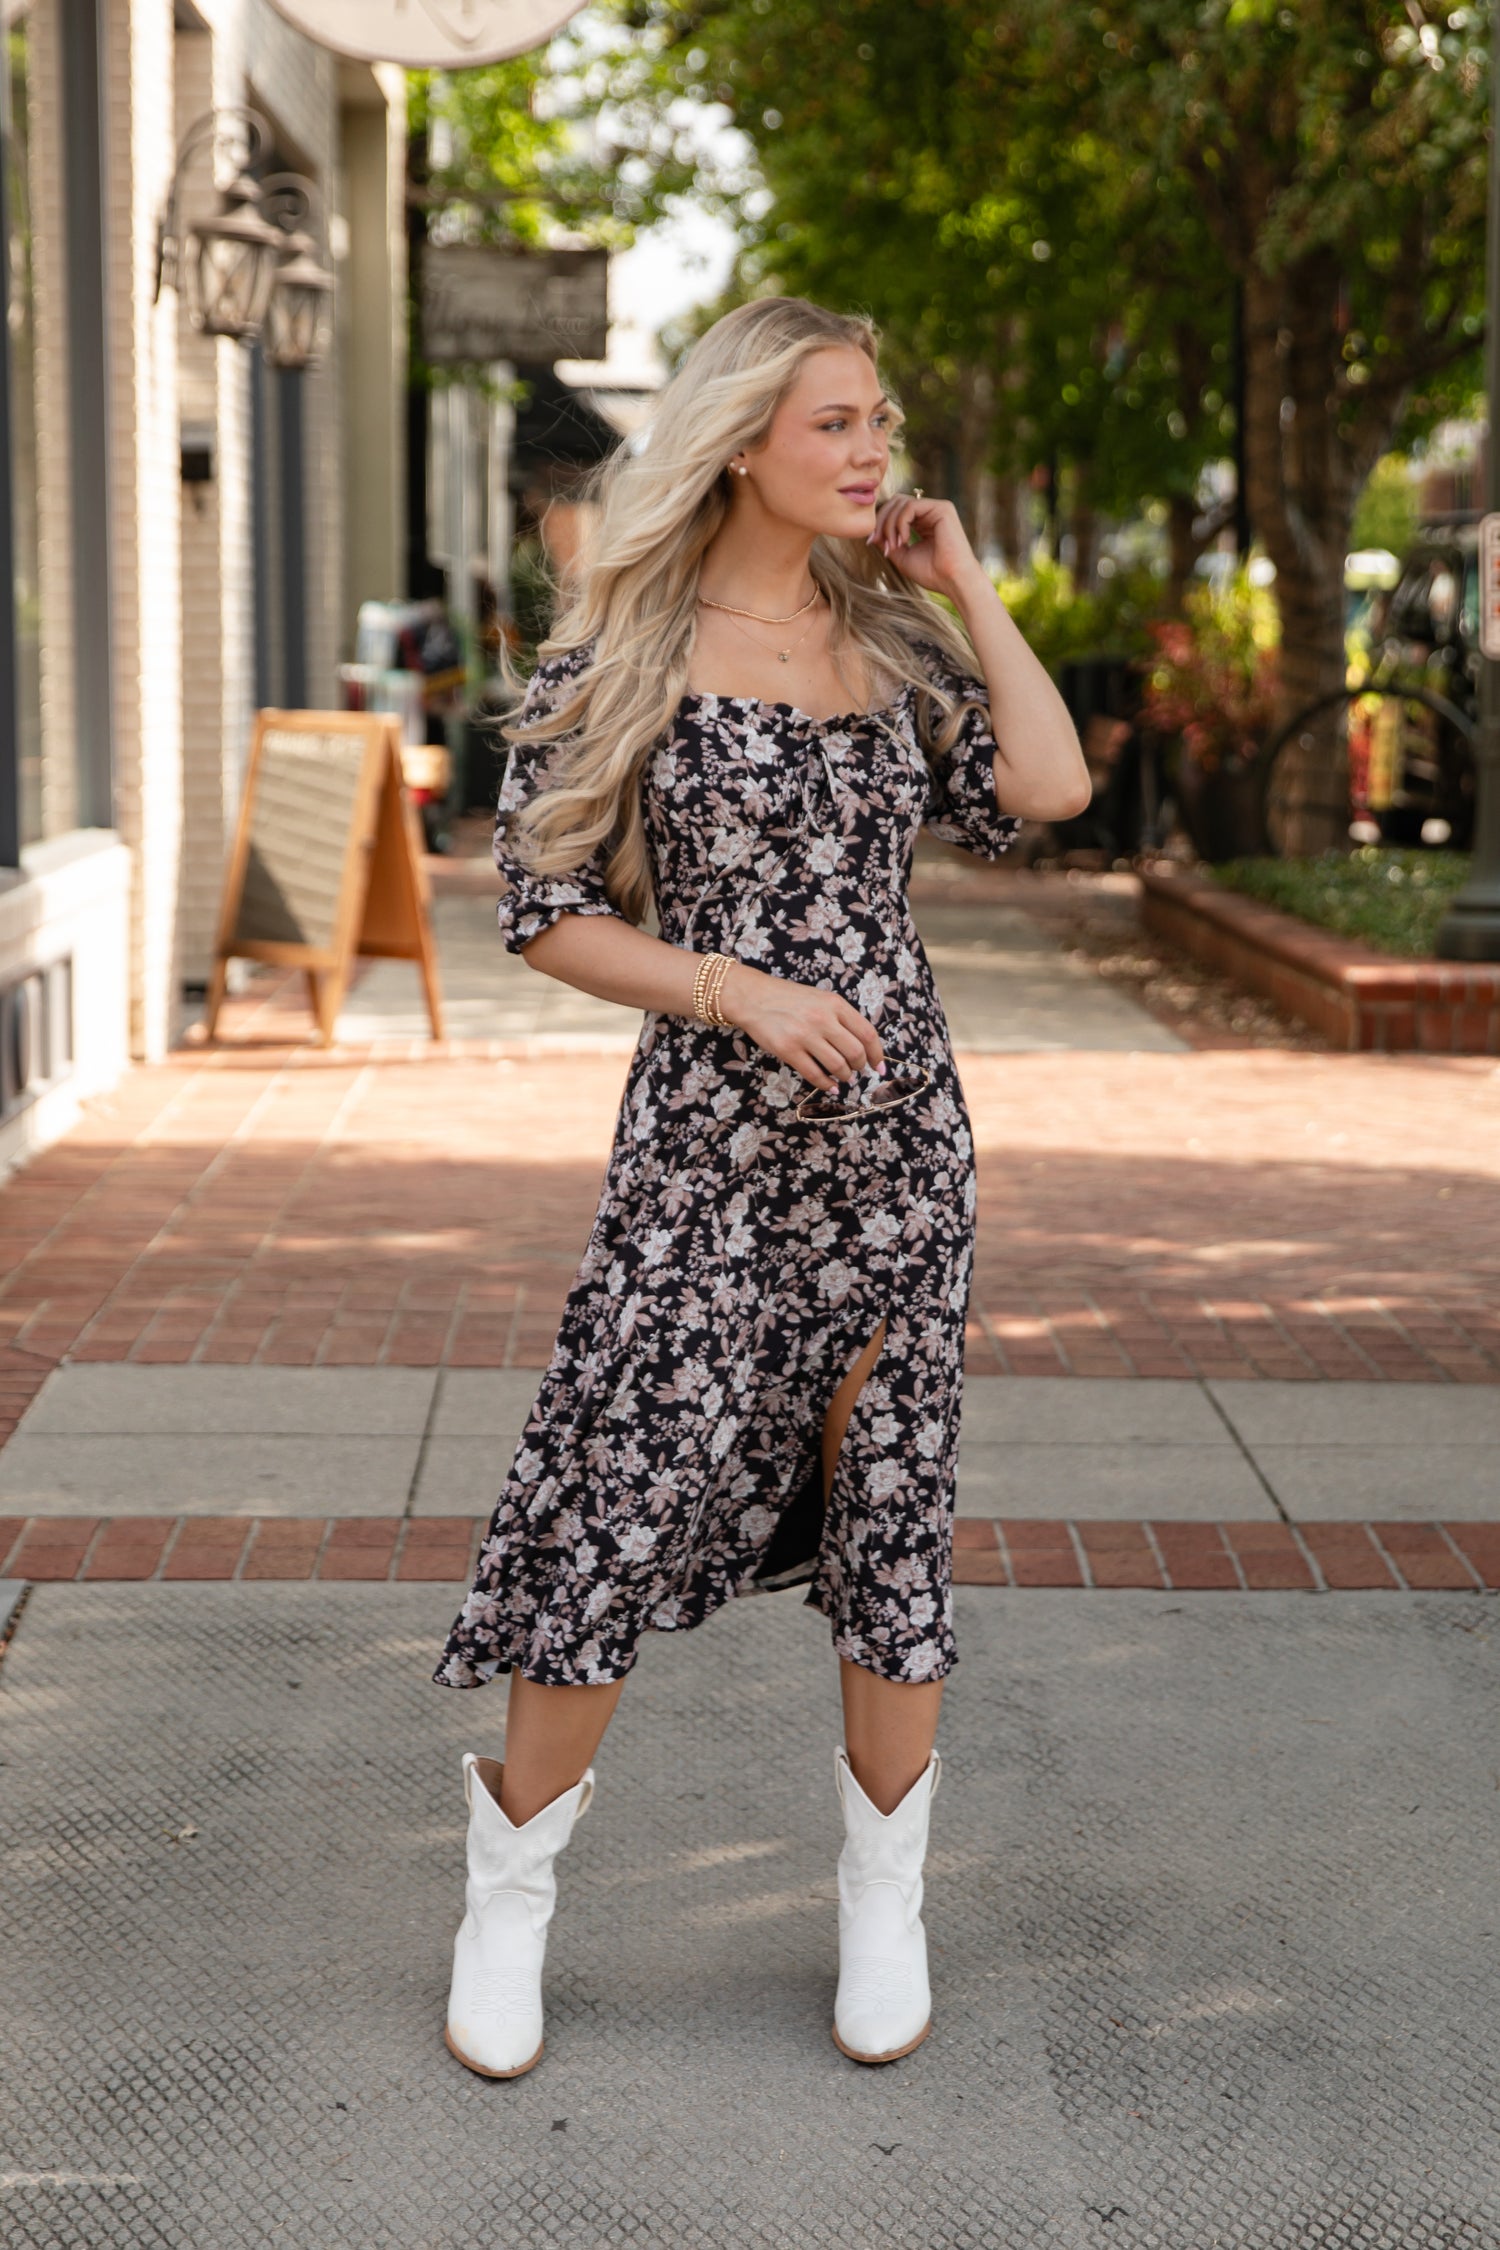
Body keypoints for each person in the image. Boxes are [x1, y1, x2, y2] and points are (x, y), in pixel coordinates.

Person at [435, 296, 1091, 2080]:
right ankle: (511, 1894)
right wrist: (732, 986)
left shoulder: (897, 643)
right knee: (613, 1490)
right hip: (702, 1157)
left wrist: (967, 583)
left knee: (892, 1512)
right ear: (741, 440)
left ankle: (886, 1899)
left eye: (882, 418)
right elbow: (544, 915)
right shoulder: (626, 651)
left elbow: (1051, 782)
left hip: (898, 1160)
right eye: (836, 423)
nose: (875, 449)